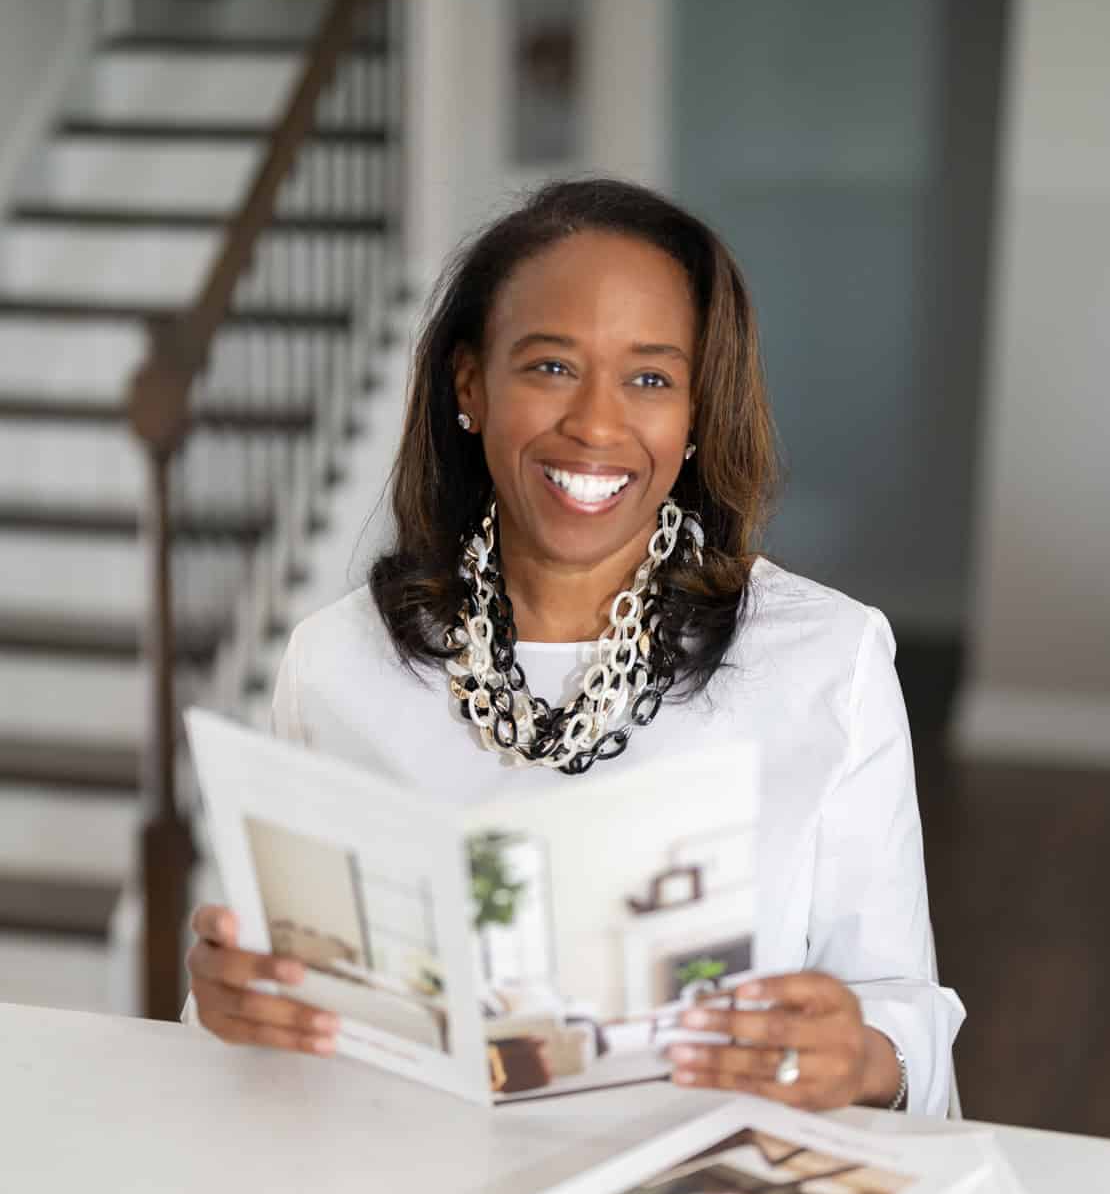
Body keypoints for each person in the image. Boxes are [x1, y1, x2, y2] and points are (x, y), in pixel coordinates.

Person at [185, 176, 964, 1115]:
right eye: (551, 367)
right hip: (395, 1183)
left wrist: (865, 1058)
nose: (595, 424)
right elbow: (267, 1007)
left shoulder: (827, 662)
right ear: (470, 385)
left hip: (693, 1187)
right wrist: (226, 1004)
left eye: (651, 379)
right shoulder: (335, 665)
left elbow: (900, 1012)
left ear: (697, 411)